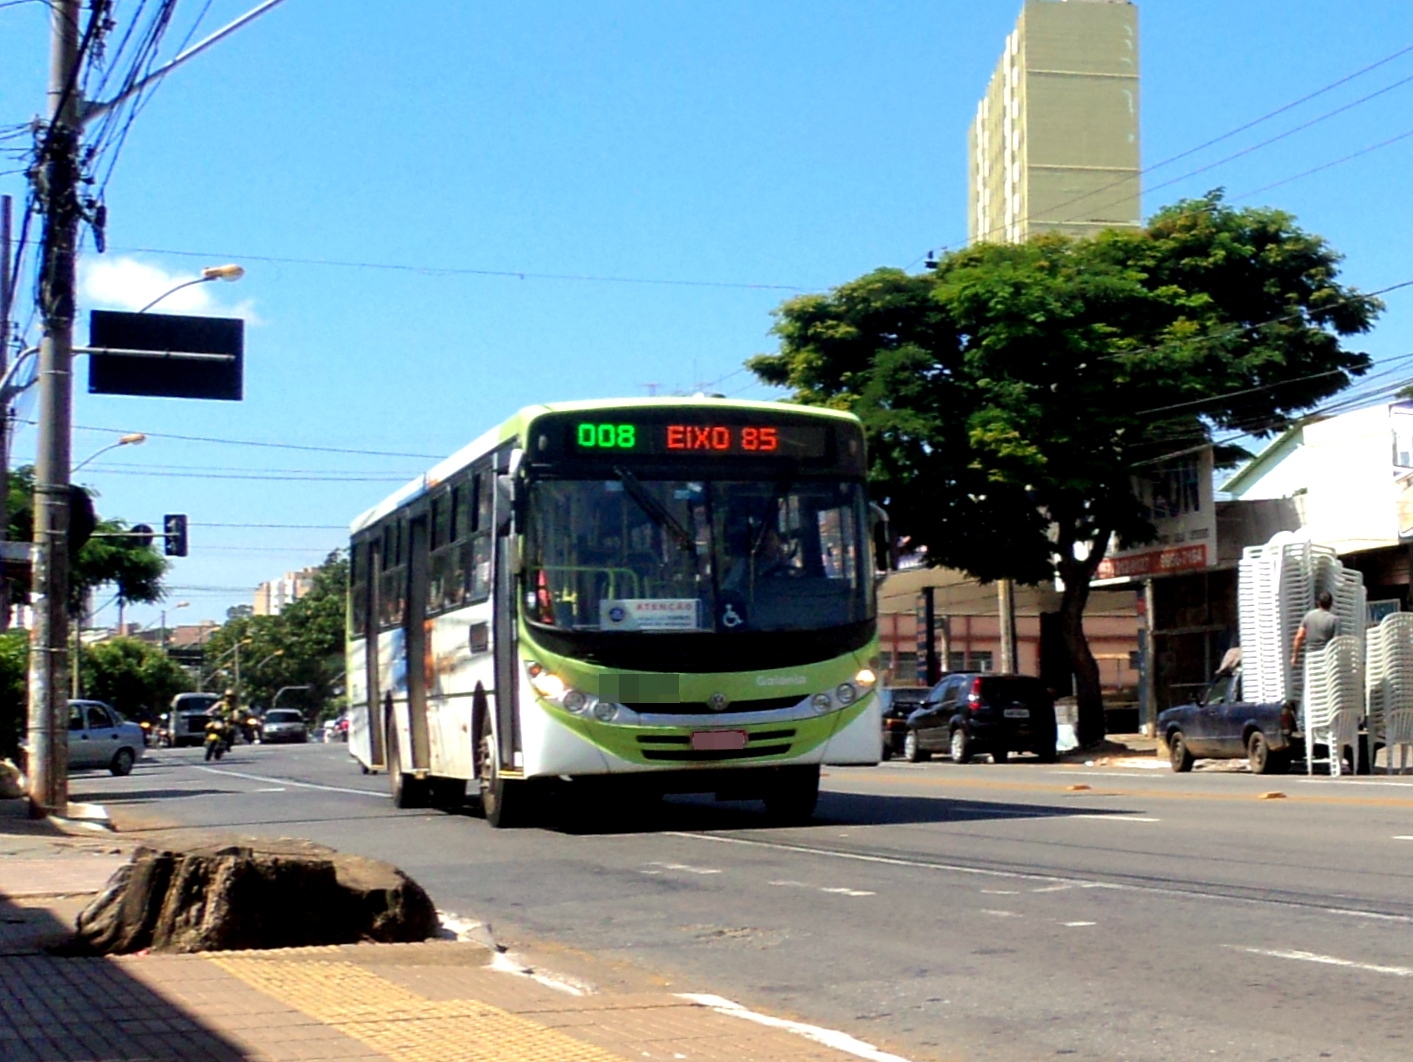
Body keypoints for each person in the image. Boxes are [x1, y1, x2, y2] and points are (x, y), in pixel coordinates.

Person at [1291, 590, 1338, 668]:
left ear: (1318, 603)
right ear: (1331, 604)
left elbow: (1299, 637)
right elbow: (1336, 642)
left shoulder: (1308, 616)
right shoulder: (1334, 620)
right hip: (1326, 659)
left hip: (1311, 658)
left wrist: (1295, 656)